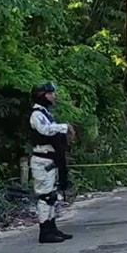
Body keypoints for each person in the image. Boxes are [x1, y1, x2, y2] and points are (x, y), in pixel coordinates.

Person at [29, 82, 74, 244]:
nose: (53, 97)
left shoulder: (45, 113)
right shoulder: (36, 115)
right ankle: (45, 230)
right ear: (42, 96)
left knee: (52, 195)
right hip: (42, 161)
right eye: (50, 94)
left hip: (50, 160)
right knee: (46, 196)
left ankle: (52, 227)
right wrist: (64, 127)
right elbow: (45, 130)